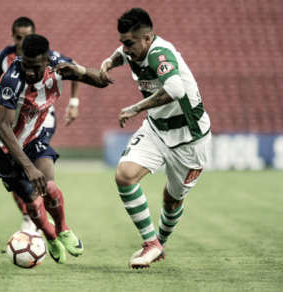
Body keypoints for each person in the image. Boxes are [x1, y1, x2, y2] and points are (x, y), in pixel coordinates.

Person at [99, 8, 211, 269]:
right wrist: (110, 60)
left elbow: (174, 88)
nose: (125, 49)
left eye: (129, 43)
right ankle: (151, 244)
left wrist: (136, 107)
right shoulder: (135, 49)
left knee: (172, 200)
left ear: (147, 39)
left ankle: (159, 243)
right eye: (122, 43)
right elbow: (123, 54)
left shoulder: (160, 53)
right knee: (124, 176)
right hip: (156, 129)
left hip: (189, 138)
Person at [0, 34, 109, 264]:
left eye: (35, 67)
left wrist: (78, 70)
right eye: (26, 65)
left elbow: (102, 81)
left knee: (49, 187)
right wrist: (29, 168)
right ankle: (50, 235)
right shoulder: (12, 81)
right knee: (32, 200)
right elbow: (3, 128)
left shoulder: (58, 66)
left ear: (46, 62)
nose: (30, 72)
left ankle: (62, 229)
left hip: (34, 138)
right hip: (3, 147)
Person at [0, 17, 81, 232]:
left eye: (26, 37)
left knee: (33, 165)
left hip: (42, 121)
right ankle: (30, 213)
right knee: (18, 170)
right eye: (18, 38)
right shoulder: (2, 59)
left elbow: (75, 69)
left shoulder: (51, 58)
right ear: (13, 36)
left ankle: (47, 220)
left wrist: (74, 103)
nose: (22, 42)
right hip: (13, 124)